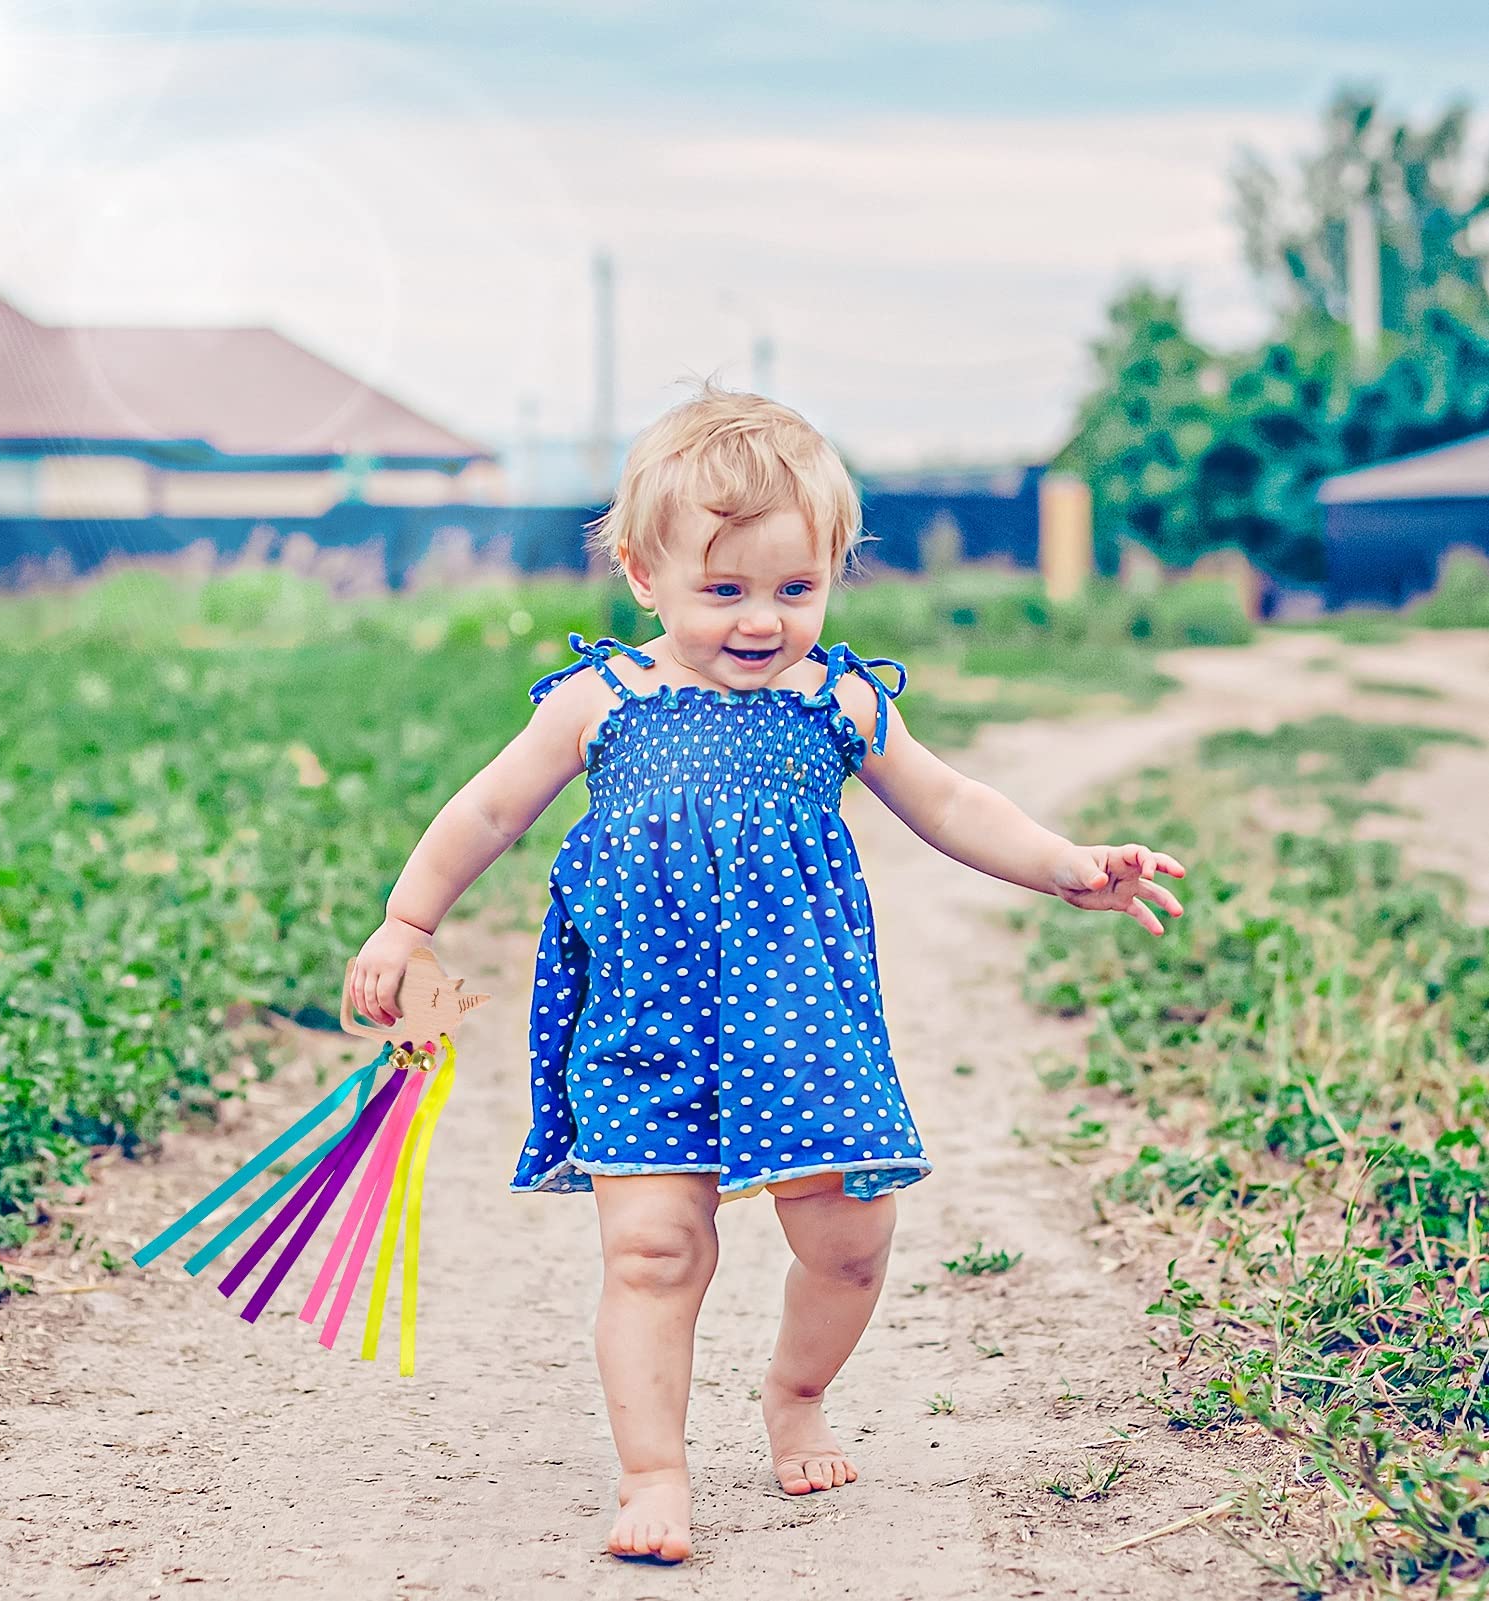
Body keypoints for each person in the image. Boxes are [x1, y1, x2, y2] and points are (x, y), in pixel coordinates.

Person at [346, 380, 1186, 1565]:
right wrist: (406, 920)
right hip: (643, 1023)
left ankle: (795, 1393)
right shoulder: (602, 699)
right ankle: (652, 1470)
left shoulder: (836, 697)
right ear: (643, 573)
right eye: (723, 590)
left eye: (795, 588)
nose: (760, 620)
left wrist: (1063, 865)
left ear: (834, 570)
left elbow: (948, 800)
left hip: (804, 1022)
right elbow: (486, 808)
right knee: (651, 1250)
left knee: (850, 1239)